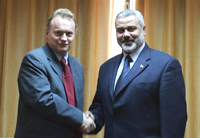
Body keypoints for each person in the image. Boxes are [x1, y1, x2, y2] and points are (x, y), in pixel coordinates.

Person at [86, 9, 187, 138]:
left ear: (144, 30)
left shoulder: (165, 65)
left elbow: (174, 121)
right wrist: (92, 118)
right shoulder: (106, 68)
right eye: (120, 30)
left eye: (131, 29)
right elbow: (101, 106)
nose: (126, 34)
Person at [14, 8, 95, 138]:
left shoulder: (77, 66)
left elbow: (72, 104)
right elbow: (44, 100)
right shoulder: (34, 59)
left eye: (69, 34)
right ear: (47, 33)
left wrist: (84, 117)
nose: (64, 38)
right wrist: (79, 117)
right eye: (58, 33)